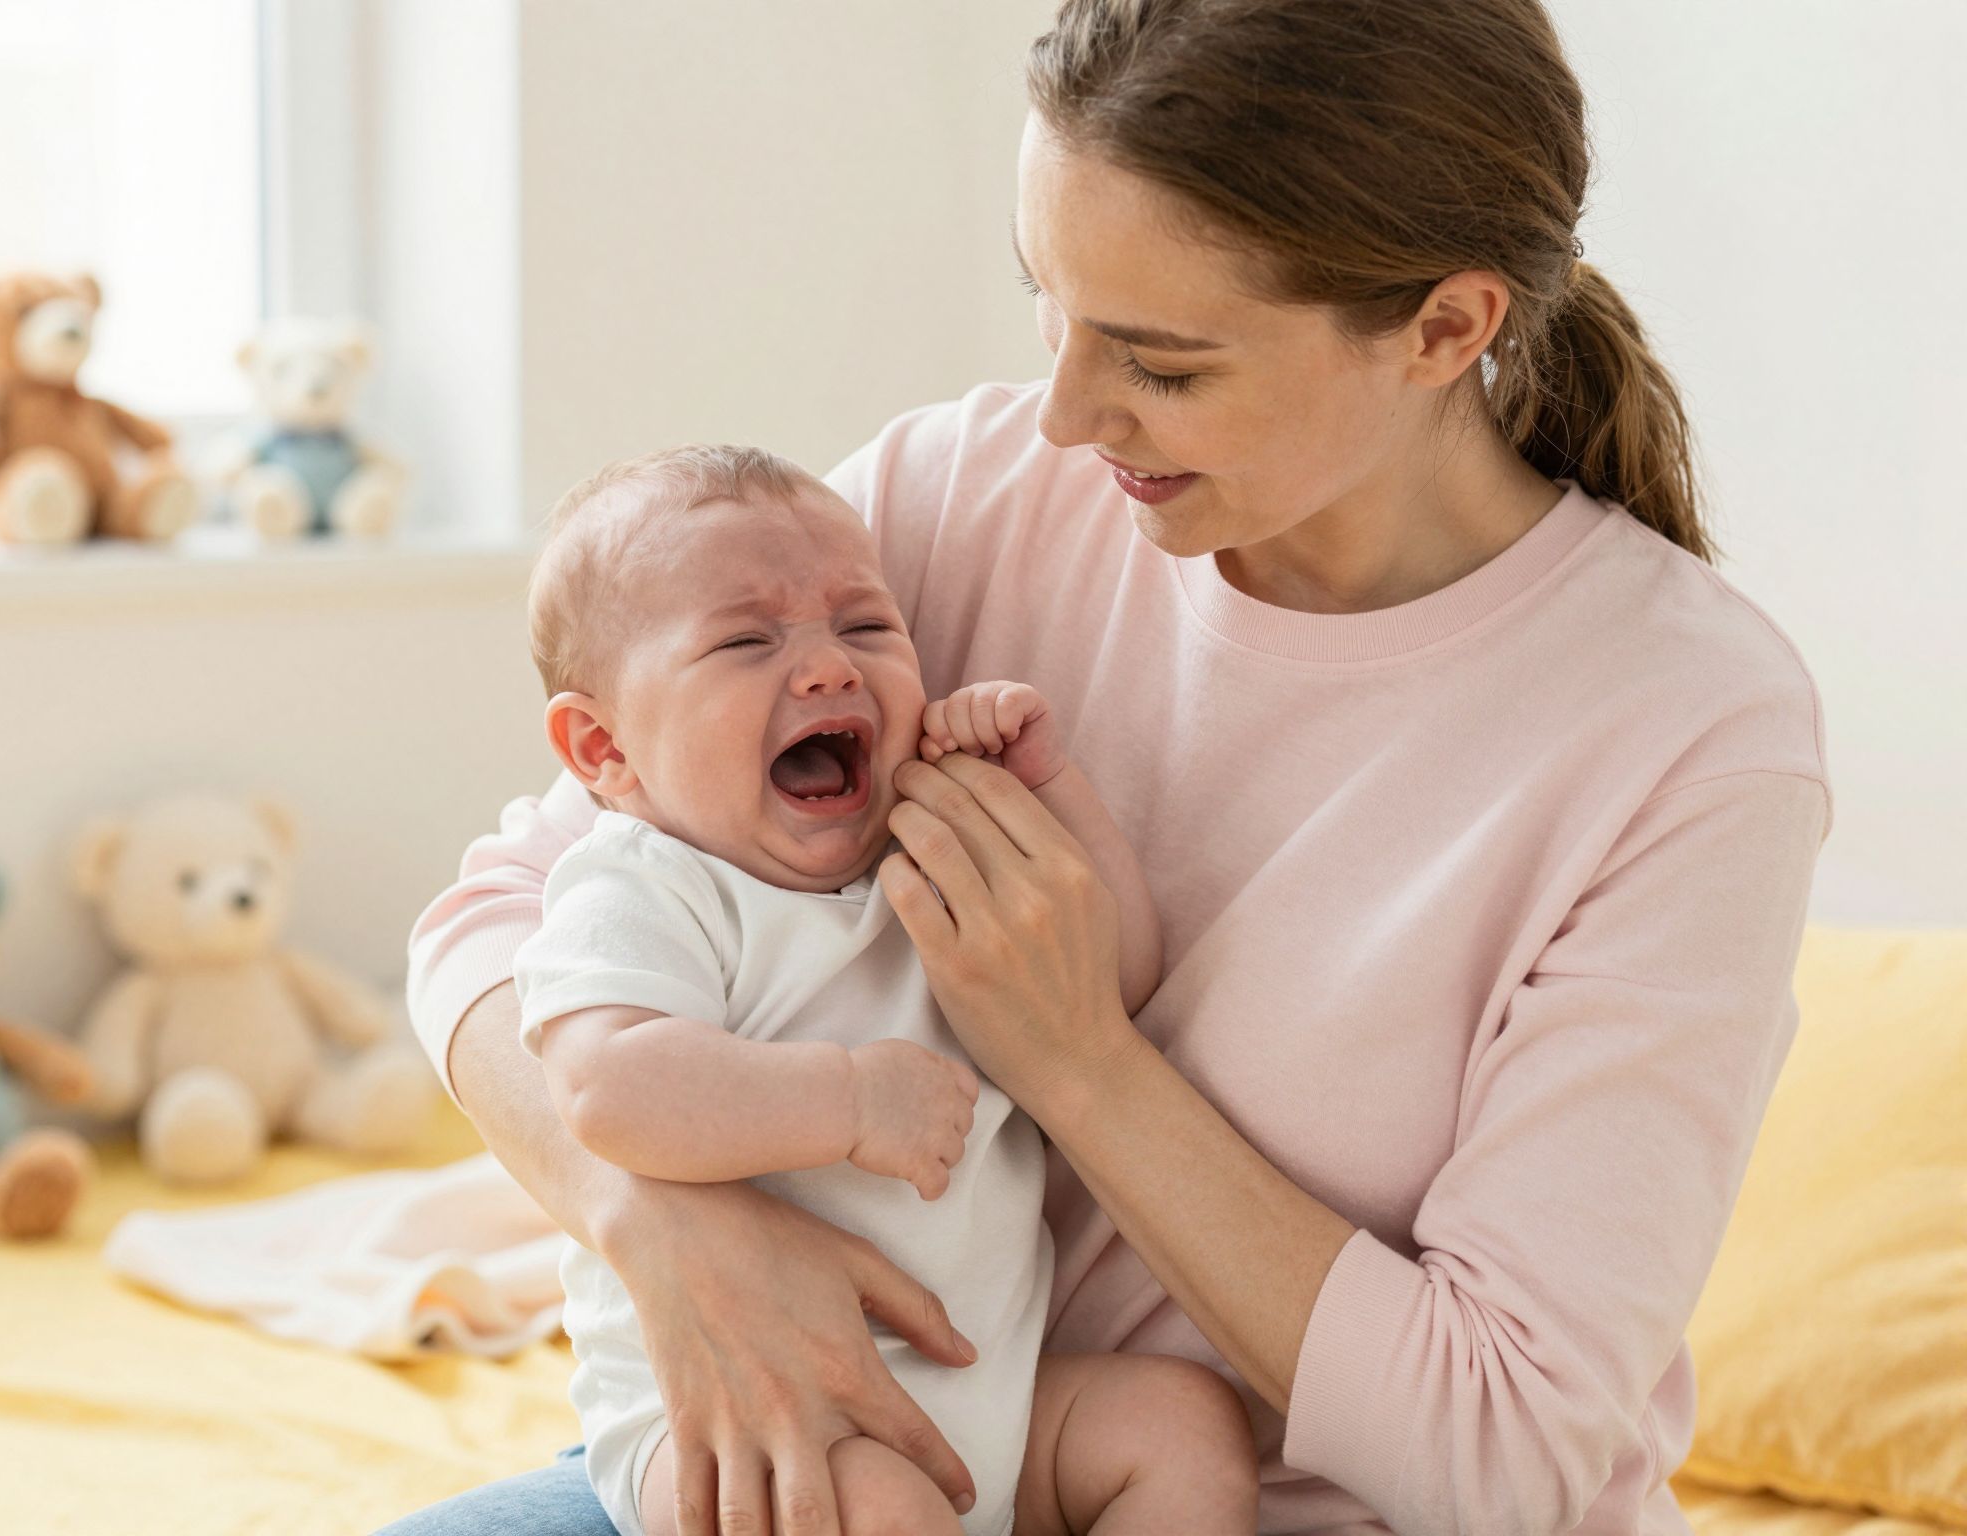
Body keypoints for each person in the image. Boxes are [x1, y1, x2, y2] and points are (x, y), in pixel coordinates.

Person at [389, 2, 1831, 1532]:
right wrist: (663, 1228)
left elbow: (1503, 1449)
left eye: (1159, 361)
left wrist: (1078, 1056)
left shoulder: (1684, 728)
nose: (1069, 416)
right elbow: (496, 924)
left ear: (1444, 329)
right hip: (881, 1439)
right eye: (1049, 306)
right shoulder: (960, 495)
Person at [513, 443, 1257, 1536]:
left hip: (986, 1408)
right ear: (603, 748)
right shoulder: (649, 883)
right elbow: (608, 1091)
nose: (827, 669)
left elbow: (1111, 982)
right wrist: (848, 1101)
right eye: (744, 642)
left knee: (1176, 1425)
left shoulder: (923, 849)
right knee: (878, 1513)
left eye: (865, 627)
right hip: (758, 1432)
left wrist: (1047, 792)